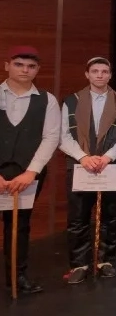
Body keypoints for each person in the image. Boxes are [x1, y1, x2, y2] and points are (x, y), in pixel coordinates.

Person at [60, 57, 116, 284]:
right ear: (87, 74)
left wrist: (108, 157)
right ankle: (79, 264)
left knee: (109, 217)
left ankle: (105, 261)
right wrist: (83, 157)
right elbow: (63, 136)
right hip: (79, 165)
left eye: (104, 71)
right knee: (78, 218)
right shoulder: (71, 101)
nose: (100, 75)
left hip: (109, 165)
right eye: (95, 71)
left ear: (110, 75)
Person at [0, 46, 61, 294]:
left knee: (19, 225)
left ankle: (17, 276)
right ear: (7, 66)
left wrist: (31, 172)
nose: (25, 70)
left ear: (37, 70)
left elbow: (51, 137)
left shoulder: (47, 100)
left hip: (27, 173)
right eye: (19, 64)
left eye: (31, 66)